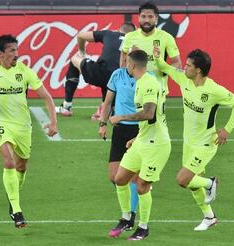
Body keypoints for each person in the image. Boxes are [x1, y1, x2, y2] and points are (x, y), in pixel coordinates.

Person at [0, 34, 58, 228]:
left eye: (17, 49)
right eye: (12, 51)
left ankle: (12, 198)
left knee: (21, 166)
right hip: (0, 122)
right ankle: (16, 210)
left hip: (22, 126)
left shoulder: (25, 71)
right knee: (8, 161)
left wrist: (53, 123)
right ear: (0, 54)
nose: (17, 54)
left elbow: (47, 97)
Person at [153, 47, 234, 231]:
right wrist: (156, 57)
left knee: (182, 179)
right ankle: (209, 217)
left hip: (205, 144)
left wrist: (227, 129)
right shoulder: (183, 79)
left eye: (187, 66)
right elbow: (165, 67)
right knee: (193, 185)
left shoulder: (213, 90)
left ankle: (211, 183)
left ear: (198, 70)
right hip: (189, 142)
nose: (183, 68)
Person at [109, 49, 171, 241]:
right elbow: (150, 120)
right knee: (120, 178)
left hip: (156, 145)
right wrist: (137, 138)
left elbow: (149, 113)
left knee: (142, 186)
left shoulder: (149, 83)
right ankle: (127, 218)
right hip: (142, 140)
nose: (126, 65)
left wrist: (121, 117)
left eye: (127, 62)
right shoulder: (140, 82)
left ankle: (143, 227)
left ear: (132, 64)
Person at [56, 22, 135, 120]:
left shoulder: (109, 33)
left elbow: (81, 36)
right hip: (120, 81)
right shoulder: (136, 41)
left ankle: (66, 106)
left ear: (118, 29)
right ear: (134, 33)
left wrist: (82, 53)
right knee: (115, 77)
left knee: (74, 60)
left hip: (100, 73)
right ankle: (108, 109)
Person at [98, 53, 139, 237]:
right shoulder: (117, 75)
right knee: (114, 176)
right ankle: (130, 209)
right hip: (119, 130)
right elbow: (107, 102)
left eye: (129, 60)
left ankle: (129, 217)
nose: (125, 62)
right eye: (125, 58)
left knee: (132, 178)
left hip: (139, 130)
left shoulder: (148, 79)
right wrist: (102, 123)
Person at [120, 2, 182, 98]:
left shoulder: (166, 37)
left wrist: (163, 70)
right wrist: (125, 75)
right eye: (143, 16)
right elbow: (123, 54)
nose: (147, 20)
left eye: (150, 17)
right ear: (138, 18)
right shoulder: (129, 37)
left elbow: (177, 62)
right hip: (134, 91)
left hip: (157, 91)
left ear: (156, 18)